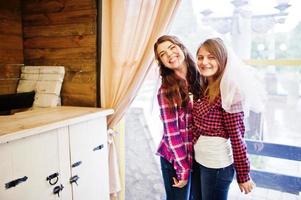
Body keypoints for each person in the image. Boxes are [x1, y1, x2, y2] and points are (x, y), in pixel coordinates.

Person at [191, 38, 263, 200]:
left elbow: (237, 138)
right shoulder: (204, 87)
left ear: (222, 59)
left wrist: (243, 175)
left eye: (211, 57)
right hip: (200, 160)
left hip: (217, 166)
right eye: (200, 57)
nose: (204, 62)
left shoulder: (231, 91)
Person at [154, 35, 202, 200]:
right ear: (161, 62)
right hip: (175, 158)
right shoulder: (165, 91)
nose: (169, 54)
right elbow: (172, 133)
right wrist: (182, 169)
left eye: (172, 47)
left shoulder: (202, 78)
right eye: (162, 54)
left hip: (198, 156)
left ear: (181, 47)